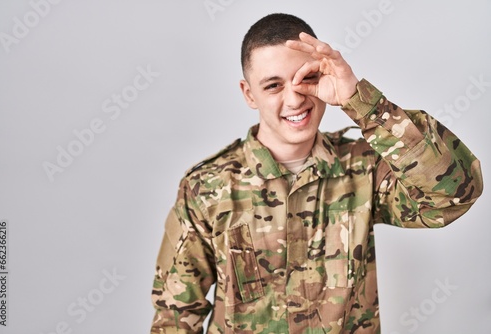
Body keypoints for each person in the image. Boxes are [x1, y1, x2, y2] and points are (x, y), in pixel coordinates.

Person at [149, 13, 483, 334]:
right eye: (273, 86)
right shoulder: (207, 187)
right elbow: (176, 315)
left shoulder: (362, 168)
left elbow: (452, 195)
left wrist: (360, 100)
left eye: (305, 78)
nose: (294, 99)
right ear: (249, 93)